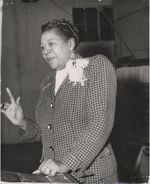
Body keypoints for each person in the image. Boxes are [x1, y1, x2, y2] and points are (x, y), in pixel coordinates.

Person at [1, 18, 118, 183]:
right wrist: (21, 123)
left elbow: (101, 124)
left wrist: (65, 163)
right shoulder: (47, 82)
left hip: (93, 177)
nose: (45, 51)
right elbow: (48, 131)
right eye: (42, 47)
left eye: (51, 43)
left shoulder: (96, 66)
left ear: (70, 44)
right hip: (57, 177)